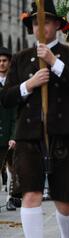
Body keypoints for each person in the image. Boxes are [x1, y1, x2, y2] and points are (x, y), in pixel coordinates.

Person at [0, 1, 69, 238]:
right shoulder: (21, 58)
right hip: (29, 135)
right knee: (31, 195)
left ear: (57, 26)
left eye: (47, 22)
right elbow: (6, 98)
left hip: (65, 135)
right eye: (37, 23)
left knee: (65, 201)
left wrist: (54, 64)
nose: (42, 27)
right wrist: (30, 85)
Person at [0, 46, 20, 212]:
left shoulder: (14, 83)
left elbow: (16, 111)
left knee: (11, 168)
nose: (1, 63)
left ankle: (10, 198)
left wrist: (14, 136)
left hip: (11, 132)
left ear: (9, 62)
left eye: (4, 61)